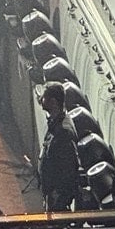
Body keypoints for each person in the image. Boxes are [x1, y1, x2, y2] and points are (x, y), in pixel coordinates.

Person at [37, 81, 81, 213]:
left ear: (53, 102)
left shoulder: (63, 132)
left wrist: (57, 195)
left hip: (57, 197)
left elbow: (69, 168)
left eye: (44, 98)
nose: (40, 100)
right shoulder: (56, 124)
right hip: (51, 193)